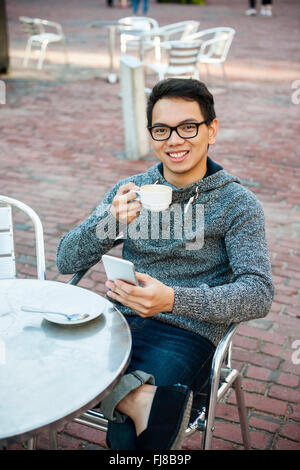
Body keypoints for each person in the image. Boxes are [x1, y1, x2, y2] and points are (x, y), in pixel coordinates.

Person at [56, 78, 274, 450]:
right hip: (117, 320)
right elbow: (66, 260)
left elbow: (258, 293)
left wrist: (172, 300)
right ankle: (133, 396)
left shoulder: (237, 204)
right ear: (152, 135)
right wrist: (109, 221)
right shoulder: (130, 190)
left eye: (187, 127)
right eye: (162, 129)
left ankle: (139, 397)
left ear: (212, 131)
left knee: (129, 437)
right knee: (32, 365)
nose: (174, 140)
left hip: (186, 332)